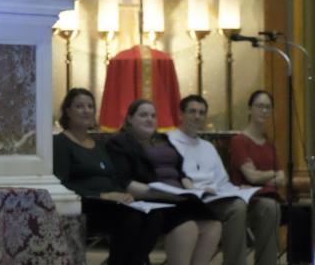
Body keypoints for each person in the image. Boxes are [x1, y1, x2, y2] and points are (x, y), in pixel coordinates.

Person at [53, 88, 163, 265]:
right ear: (68, 111)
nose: (86, 110)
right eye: (79, 106)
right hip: (86, 203)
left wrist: (122, 193)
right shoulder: (60, 143)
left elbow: (112, 178)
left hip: (111, 203)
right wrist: (102, 196)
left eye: (90, 106)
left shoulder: (98, 144)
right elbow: (61, 183)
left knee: (154, 216)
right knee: (131, 219)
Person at [106, 99, 222, 265]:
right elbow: (124, 182)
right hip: (152, 200)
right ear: (130, 119)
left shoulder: (163, 139)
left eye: (153, 115)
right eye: (143, 115)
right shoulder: (120, 143)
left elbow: (180, 171)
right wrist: (157, 193)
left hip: (180, 196)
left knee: (213, 225)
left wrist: (192, 188)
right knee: (188, 228)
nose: (149, 119)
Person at [168, 95, 279, 265]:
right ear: (181, 114)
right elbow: (171, 178)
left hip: (217, 197)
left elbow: (222, 182)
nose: (197, 116)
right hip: (191, 200)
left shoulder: (208, 147)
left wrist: (236, 190)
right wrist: (199, 190)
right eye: (192, 111)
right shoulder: (169, 141)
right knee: (237, 207)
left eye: (201, 113)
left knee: (268, 206)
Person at [230, 90, 285, 197]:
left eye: (268, 107)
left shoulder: (269, 144)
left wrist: (262, 179)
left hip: (270, 196)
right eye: (260, 106)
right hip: (249, 199)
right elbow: (253, 177)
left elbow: (282, 179)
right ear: (250, 109)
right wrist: (273, 173)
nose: (264, 110)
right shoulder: (239, 141)